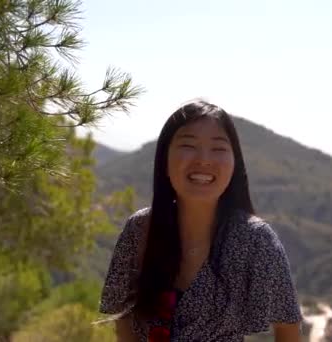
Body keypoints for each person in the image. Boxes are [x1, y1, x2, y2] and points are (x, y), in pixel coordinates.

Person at [98, 100, 303, 341]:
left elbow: (288, 328)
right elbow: (124, 318)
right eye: (188, 145)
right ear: (164, 159)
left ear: (234, 163)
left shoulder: (256, 240)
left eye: (218, 148)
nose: (204, 160)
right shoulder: (140, 229)